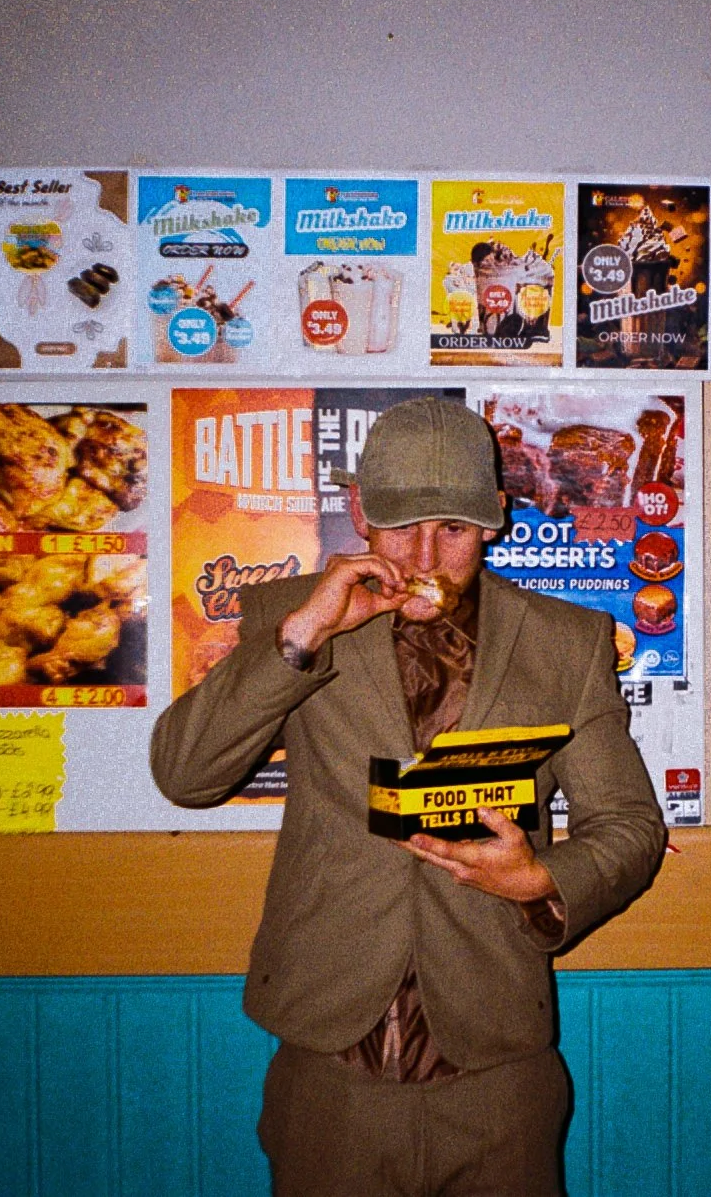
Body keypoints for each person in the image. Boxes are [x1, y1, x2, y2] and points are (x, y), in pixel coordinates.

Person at [151, 397, 667, 1197]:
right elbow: (185, 777)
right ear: (357, 510)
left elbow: (629, 825)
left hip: (497, 1068)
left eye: (453, 529)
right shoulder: (286, 620)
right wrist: (303, 638)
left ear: (496, 518)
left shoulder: (567, 642)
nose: (425, 554)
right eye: (400, 526)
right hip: (330, 1064)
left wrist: (543, 882)